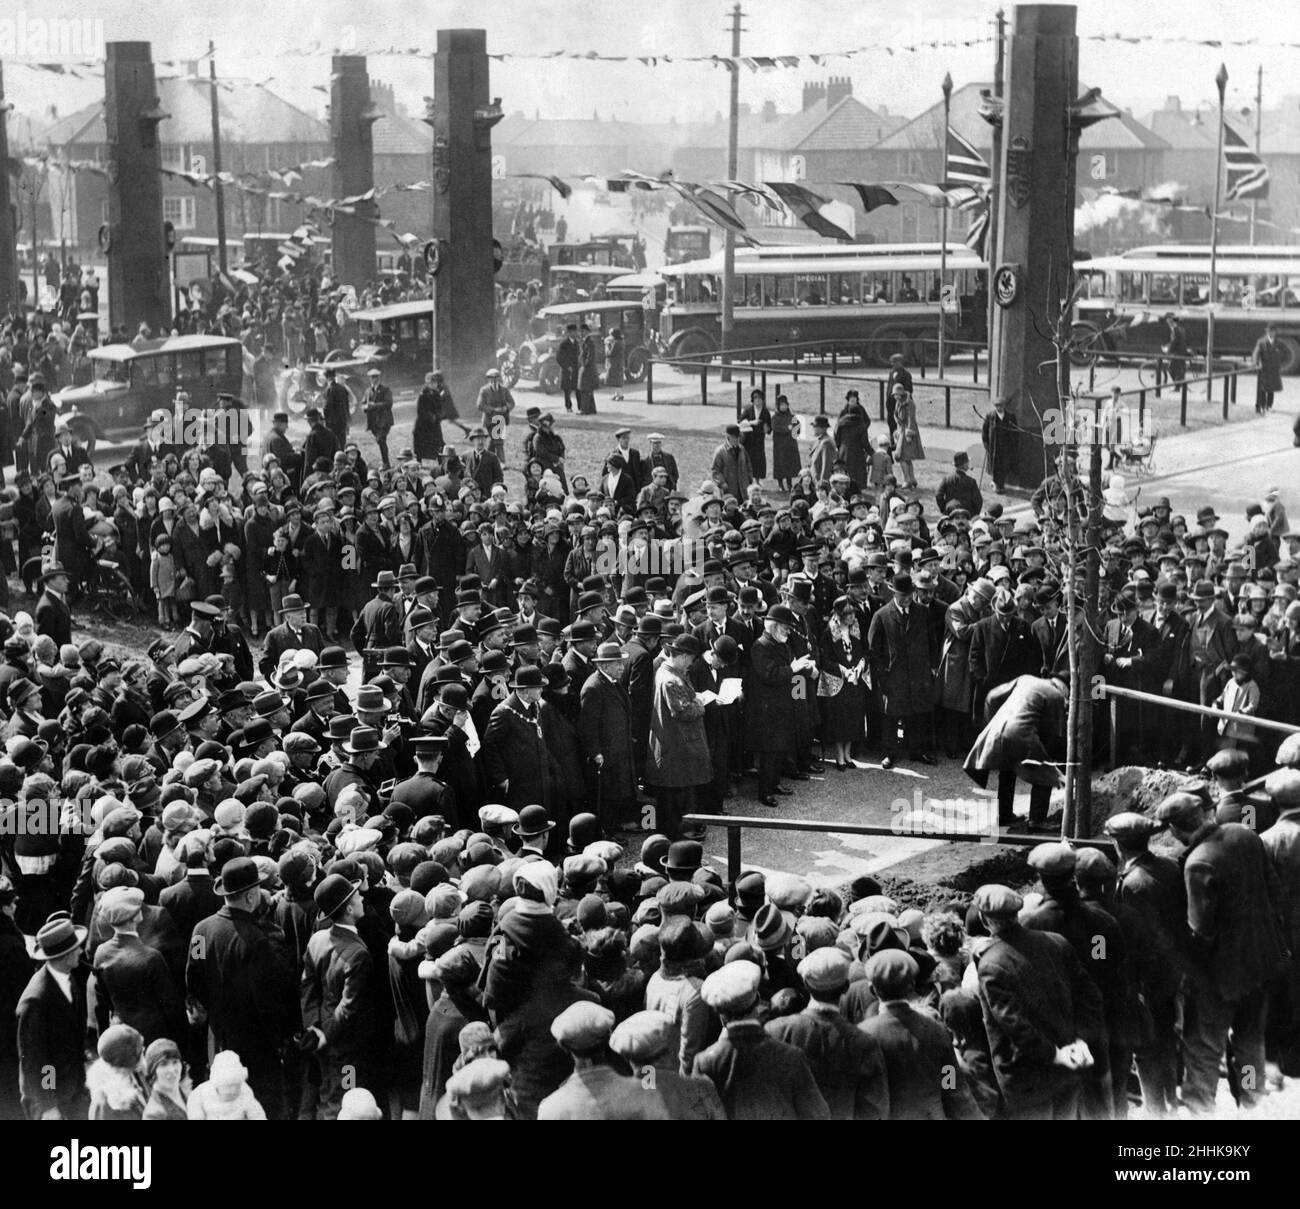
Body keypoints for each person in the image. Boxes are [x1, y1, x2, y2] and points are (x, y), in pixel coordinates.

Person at [1155, 792, 1287, 1116]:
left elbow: (1201, 931)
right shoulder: (1245, 834)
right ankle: (1253, 1103)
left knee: (1203, 1047)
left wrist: (1190, 973)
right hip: (1261, 963)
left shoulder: (1198, 862)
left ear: (1174, 829)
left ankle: (1201, 1108)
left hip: (1221, 977)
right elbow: (1275, 893)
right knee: (1249, 1041)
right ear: (1205, 813)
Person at [971, 883, 1104, 1120]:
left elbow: (1014, 1024)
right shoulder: (1056, 941)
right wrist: (1082, 1039)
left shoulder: (990, 964)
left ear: (984, 920)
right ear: (1016, 914)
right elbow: (1091, 994)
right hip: (1071, 1061)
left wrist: (1054, 1054)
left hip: (1028, 1077)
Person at [693, 961, 829, 1120]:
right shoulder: (791, 1057)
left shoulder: (705, 1062)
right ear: (757, 999)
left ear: (719, 1012)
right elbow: (818, 1114)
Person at [16, 917, 90, 1119]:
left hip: (74, 1089)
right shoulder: (36, 1001)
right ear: (64, 956)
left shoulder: (68, 978)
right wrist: (48, 1105)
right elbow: (37, 1061)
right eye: (76, 948)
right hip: (57, 1098)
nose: (81, 952)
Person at [867, 573, 937, 771]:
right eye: (901, 595)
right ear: (894, 593)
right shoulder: (881, 615)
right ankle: (889, 753)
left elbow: (932, 641)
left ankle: (917, 751)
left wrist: (931, 667)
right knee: (891, 716)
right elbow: (873, 650)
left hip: (918, 674)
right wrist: (882, 674)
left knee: (918, 714)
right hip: (893, 676)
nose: (906, 599)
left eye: (908, 594)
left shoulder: (922, 612)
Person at [646, 633, 712, 839]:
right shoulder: (672, 680)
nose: (691, 665)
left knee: (674, 792)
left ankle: (675, 831)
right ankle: (677, 834)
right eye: (691, 660)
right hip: (677, 743)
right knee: (675, 793)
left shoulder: (667, 673)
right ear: (683, 656)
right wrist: (700, 703)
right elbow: (683, 711)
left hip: (674, 742)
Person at [981, 396, 1019, 494]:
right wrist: (986, 444)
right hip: (994, 447)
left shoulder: (1010, 416)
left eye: (1001, 406)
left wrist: (1014, 445)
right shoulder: (990, 416)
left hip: (1006, 447)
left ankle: (1000, 484)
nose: (999, 408)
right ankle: (997, 484)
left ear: (1004, 406)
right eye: (997, 406)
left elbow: (1015, 432)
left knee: (1005, 466)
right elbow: (985, 431)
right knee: (995, 466)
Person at [362, 368, 395, 469]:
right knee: (379, 441)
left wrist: (374, 405)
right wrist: (365, 407)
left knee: (381, 440)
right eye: (372, 377)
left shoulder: (385, 389)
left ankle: (386, 463)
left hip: (384, 421)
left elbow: (389, 403)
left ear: (379, 378)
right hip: (373, 422)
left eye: (376, 377)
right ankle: (385, 462)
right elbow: (363, 403)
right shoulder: (368, 391)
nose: (374, 379)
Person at [893, 388, 924, 489]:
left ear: (901, 393)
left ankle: (907, 480)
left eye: (897, 394)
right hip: (901, 430)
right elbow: (896, 416)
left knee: (902, 457)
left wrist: (908, 434)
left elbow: (911, 418)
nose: (895, 396)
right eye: (894, 395)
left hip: (907, 432)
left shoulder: (909, 403)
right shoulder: (898, 402)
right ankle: (912, 479)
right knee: (906, 457)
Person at [1254, 322, 1284, 415]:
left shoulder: (1279, 342)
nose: (1271, 333)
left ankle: (1269, 406)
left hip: (1274, 369)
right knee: (1263, 388)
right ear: (1267, 332)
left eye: (1273, 331)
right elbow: (1256, 353)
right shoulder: (1261, 342)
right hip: (1265, 369)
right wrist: (1257, 363)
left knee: (1271, 389)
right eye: (1269, 331)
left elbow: (1285, 353)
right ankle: (1262, 405)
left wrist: (1281, 363)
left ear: (1275, 332)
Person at [556, 324, 580, 412]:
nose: (575, 333)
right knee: (567, 390)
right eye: (573, 332)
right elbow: (558, 357)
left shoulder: (577, 343)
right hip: (567, 370)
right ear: (569, 333)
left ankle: (580, 406)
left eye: (576, 331)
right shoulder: (564, 344)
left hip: (576, 369)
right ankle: (568, 407)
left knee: (578, 388)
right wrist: (566, 367)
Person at [576, 325, 599, 415]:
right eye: (581, 331)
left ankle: (584, 410)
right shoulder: (586, 341)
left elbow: (590, 356)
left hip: (587, 368)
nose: (581, 333)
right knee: (588, 390)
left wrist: (584, 365)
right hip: (587, 367)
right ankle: (592, 409)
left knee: (584, 389)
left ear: (587, 332)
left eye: (583, 331)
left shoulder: (589, 342)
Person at [1162, 312, 1188, 383]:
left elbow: (1175, 342)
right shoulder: (1179, 328)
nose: (1167, 322)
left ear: (1171, 320)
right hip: (1181, 351)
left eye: (1167, 320)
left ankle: (1177, 385)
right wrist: (1168, 345)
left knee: (1171, 368)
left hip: (1178, 353)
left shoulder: (1175, 330)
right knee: (1178, 370)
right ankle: (1178, 385)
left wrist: (1167, 349)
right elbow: (1175, 340)